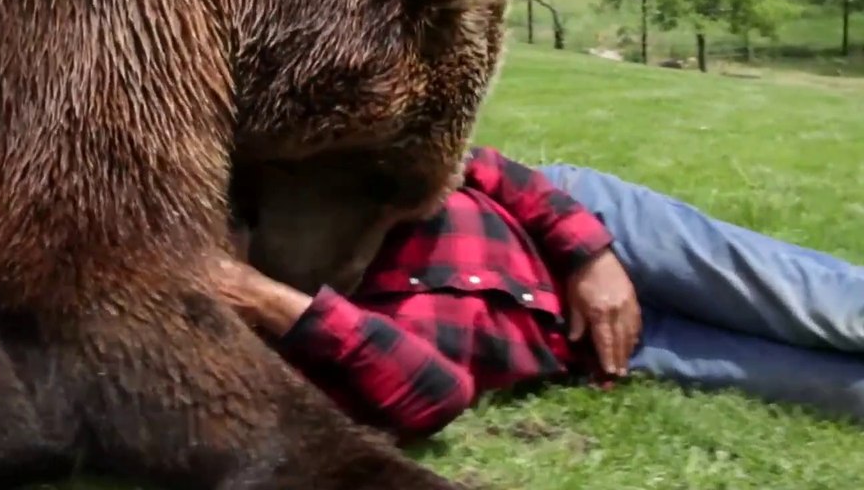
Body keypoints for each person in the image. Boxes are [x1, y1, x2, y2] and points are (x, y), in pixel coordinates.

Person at [214, 146, 864, 441]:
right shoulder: (295, 355)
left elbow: (471, 161)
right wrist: (266, 299)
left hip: (598, 228)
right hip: (605, 347)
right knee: (827, 387)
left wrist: (590, 253)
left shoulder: (301, 175)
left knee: (821, 305)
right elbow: (436, 396)